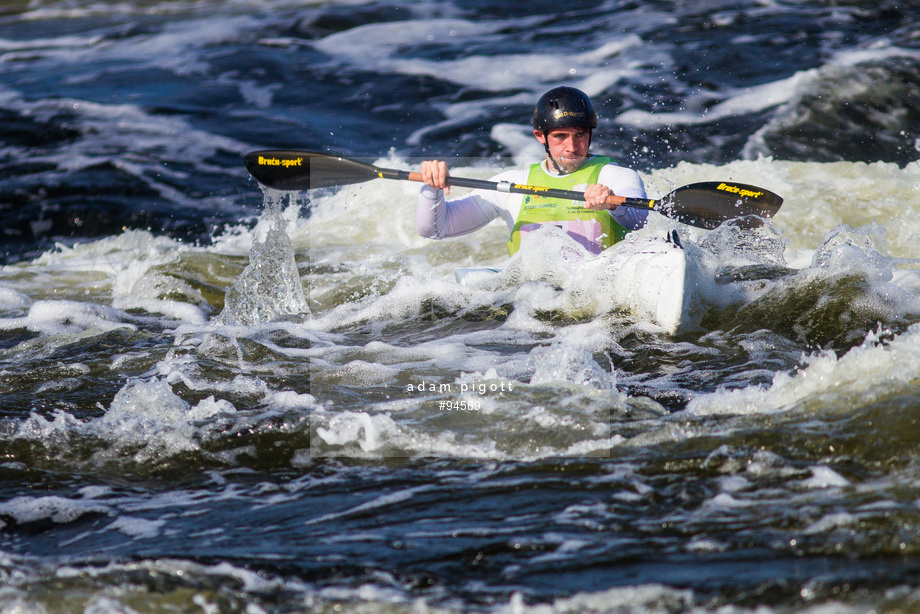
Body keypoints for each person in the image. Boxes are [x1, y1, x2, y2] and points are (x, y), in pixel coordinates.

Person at [415, 86, 648, 256]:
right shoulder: (511, 184)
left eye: (580, 135)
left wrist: (613, 204)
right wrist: (432, 188)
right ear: (540, 136)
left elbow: (640, 222)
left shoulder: (615, 176)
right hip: (533, 301)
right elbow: (434, 229)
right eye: (560, 136)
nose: (572, 147)